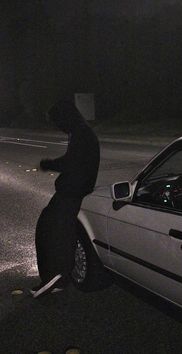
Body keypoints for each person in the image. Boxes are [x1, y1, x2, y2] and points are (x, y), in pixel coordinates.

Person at [31, 100, 100, 298]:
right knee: (52, 226)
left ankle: (55, 275)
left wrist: (49, 164)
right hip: (72, 190)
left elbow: (72, 163)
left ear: (65, 117)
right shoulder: (80, 132)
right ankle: (57, 274)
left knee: (53, 231)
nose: (57, 127)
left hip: (72, 192)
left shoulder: (82, 134)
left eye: (57, 122)